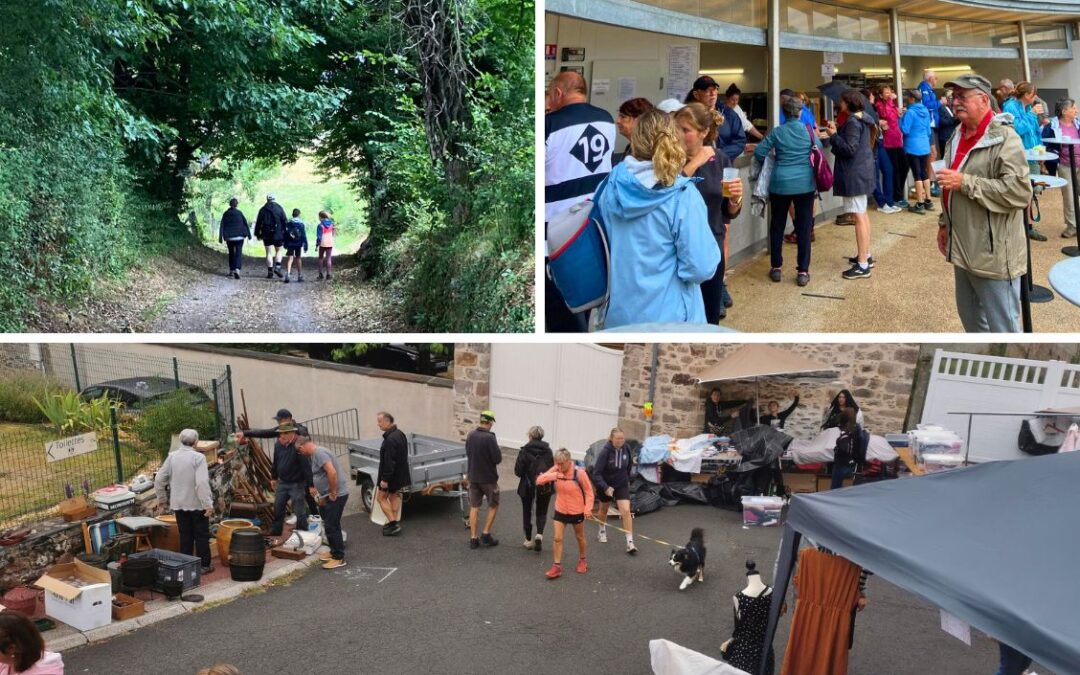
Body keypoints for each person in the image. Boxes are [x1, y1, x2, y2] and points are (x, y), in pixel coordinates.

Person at [597, 109, 719, 328]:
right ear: (673, 140)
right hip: (671, 319)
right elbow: (701, 266)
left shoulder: (609, 186)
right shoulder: (681, 194)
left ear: (635, 140)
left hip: (618, 315)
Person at [935, 74, 1032, 333]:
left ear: (983, 100)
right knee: (972, 323)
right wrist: (944, 223)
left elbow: (1020, 193)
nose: (956, 102)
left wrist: (966, 182)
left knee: (1005, 329)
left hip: (994, 255)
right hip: (963, 249)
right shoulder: (956, 136)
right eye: (954, 97)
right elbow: (949, 185)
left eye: (962, 96)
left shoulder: (1005, 139)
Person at [544, 71, 616, 332]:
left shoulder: (549, 126)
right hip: (592, 228)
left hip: (555, 234)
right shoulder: (607, 120)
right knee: (586, 298)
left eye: (551, 94)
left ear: (559, 93)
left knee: (559, 309)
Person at [675, 102, 744, 322]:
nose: (678, 135)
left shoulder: (721, 159)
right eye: (676, 128)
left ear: (704, 132)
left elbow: (728, 212)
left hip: (709, 248)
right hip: (675, 250)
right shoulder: (668, 160)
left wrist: (735, 200)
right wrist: (695, 162)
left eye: (685, 130)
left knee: (709, 317)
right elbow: (665, 194)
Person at [755, 96, 820, 286]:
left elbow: (759, 152)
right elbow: (820, 148)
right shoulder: (808, 132)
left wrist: (776, 160)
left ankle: (776, 268)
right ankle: (803, 271)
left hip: (779, 184)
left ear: (784, 113)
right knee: (803, 228)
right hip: (804, 184)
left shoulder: (777, 132)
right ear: (800, 112)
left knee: (777, 225)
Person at [826, 89, 879, 281]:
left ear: (848, 103)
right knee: (863, 214)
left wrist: (833, 135)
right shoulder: (863, 118)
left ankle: (863, 265)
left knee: (859, 217)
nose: (840, 104)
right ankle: (866, 255)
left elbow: (849, 149)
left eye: (842, 102)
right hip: (862, 172)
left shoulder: (853, 122)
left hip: (854, 174)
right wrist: (838, 131)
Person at [236, 416, 313, 537]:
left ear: (292, 433)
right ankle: (276, 530)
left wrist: (311, 485)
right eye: (280, 434)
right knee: (278, 507)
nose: (281, 436)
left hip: (297, 483)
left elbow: (306, 466)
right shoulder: (279, 445)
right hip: (283, 482)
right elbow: (276, 461)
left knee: (299, 510)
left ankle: (302, 532)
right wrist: (273, 477)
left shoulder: (299, 445)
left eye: (284, 434)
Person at [154, 428, 214, 573]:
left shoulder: (172, 457)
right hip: (196, 504)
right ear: (195, 442)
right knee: (201, 535)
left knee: (185, 534)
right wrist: (208, 504)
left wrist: (162, 499)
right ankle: (204, 566)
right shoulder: (198, 458)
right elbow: (201, 483)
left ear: (181, 440)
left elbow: (159, 479)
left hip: (178, 504)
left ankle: (187, 565)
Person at [535, 448, 594, 579]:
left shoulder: (580, 473)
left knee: (579, 537)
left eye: (562, 464)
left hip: (576, 511)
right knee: (557, 538)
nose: (559, 466)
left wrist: (588, 509)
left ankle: (582, 560)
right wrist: (555, 475)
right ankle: (557, 567)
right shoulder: (557, 469)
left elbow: (589, 492)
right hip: (560, 509)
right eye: (557, 463)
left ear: (569, 461)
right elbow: (539, 480)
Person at [1002, 82, 1047, 242]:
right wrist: (1033, 114)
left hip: (1032, 155)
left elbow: (1034, 131)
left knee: (1030, 191)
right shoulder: (1011, 107)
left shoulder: (1028, 107)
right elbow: (1017, 129)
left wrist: (1041, 149)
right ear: (1027, 95)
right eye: (1034, 94)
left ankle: (1027, 225)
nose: (1035, 97)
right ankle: (1019, 226)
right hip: (1018, 156)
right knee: (1019, 190)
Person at [296, 436, 348, 569]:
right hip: (327, 495)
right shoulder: (315, 455)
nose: (300, 453)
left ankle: (339, 558)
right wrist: (324, 497)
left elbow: (332, 472)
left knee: (332, 525)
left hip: (337, 495)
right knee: (329, 523)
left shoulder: (319, 453)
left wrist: (333, 492)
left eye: (299, 451)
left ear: (301, 447)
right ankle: (333, 551)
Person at [591, 428, 637, 554]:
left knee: (626, 511)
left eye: (622, 438)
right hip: (606, 485)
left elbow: (628, 466)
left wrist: (627, 480)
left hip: (621, 485)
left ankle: (630, 542)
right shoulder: (605, 452)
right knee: (603, 509)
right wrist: (605, 487)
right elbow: (596, 474)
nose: (621, 441)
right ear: (611, 438)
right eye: (618, 438)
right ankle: (601, 530)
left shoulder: (626, 448)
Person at [684, 75, 746, 162]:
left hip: (722, 166)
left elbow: (740, 141)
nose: (712, 93)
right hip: (695, 165)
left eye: (715, 89)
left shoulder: (729, 114)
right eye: (707, 90)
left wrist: (719, 154)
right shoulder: (688, 115)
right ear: (696, 94)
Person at [1042, 98, 1079, 238]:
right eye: (1073, 107)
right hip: (1065, 164)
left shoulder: (1078, 123)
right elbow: (1045, 143)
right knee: (1069, 196)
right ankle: (1072, 226)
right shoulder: (1052, 126)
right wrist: (1045, 161)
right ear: (1064, 111)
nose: (1076, 110)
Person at [513, 425, 554, 551]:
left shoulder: (524, 451)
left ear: (530, 436)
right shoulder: (548, 451)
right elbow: (552, 468)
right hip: (544, 485)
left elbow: (518, 471)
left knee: (527, 511)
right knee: (542, 510)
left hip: (527, 485)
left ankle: (528, 539)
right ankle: (539, 534)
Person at [465, 410, 502, 549]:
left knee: (474, 507)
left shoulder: (471, 435)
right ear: (490, 422)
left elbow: (468, 452)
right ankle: (486, 534)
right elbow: (497, 459)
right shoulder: (490, 438)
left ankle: (473, 538)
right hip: (488, 478)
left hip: (473, 476)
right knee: (493, 505)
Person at [376, 411, 410, 537]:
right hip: (400, 475)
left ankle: (393, 523)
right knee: (393, 497)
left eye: (380, 421)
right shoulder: (400, 434)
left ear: (387, 421)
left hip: (391, 477)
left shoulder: (390, 439)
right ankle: (395, 521)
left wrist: (384, 479)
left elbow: (389, 462)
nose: (378, 424)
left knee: (381, 498)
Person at [875, 85, 908, 208]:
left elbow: (894, 117)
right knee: (895, 169)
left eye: (890, 92)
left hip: (897, 139)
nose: (889, 94)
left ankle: (897, 195)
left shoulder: (891, 104)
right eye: (886, 93)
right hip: (888, 142)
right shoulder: (879, 105)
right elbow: (885, 114)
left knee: (904, 167)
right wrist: (890, 101)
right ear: (881, 95)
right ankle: (897, 197)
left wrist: (899, 112)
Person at [900, 89, 933, 215]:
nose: (907, 99)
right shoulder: (925, 111)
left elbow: (905, 130)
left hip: (912, 147)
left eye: (908, 97)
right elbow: (929, 132)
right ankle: (928, 200)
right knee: (924, 173)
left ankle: (919, 203)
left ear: (913, 99)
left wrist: (900, 119)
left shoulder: (910, 112)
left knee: (917, 174)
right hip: (925, 145)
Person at [920, 70, 942, 197]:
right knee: (932, 153)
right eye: (936, 78)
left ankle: (929, 182)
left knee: (933, 153)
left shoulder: (928, 88)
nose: (936, 80)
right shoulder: (924, 88)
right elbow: (927, 105)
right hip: (927, 125)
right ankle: (928, 182)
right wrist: (940, 103)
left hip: (932, 126)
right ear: (930, 78)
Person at [254, 194, 287, 279]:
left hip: (266, 233)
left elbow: (258, 222)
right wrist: (285, 232)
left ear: (267, 200)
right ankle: (278, 267)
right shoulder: (279, 208)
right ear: (274, 199)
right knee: (279, 250)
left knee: (268, 252)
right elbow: (284, 220)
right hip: (278, 233)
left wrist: (257, 233)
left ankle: (270, 272)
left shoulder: (262, 209)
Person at [614, 97, 655, 164]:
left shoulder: (646, 152)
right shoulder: (631, 147)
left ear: (639, 120)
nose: (617, 121)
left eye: (623, 117)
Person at [218, 198, 250, 279]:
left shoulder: (226, 214)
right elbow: (245, 223)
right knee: (238, 252)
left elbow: (222, 225)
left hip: (229, 237)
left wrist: (221, 238)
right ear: (236, 205)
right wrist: (249, 235)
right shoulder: (239, 213)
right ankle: (237, 269)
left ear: (230, 204)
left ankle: (231, 270)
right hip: (239, 236)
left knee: (231, 252)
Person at [830, 408, 860, 490]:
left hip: (841, 464)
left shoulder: (845, 435)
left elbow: (845, 448)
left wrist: (837, 449)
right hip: (850, 463)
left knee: (835, 487)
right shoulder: (856, 429)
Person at [283, 208, 307, 283]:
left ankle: (288, 274)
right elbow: (303, 235)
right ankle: (300, 275)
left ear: (292, 214)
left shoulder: (288, 224)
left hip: (290, 243)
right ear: (299, 215)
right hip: (298, 244)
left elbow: (285, 235)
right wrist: (305, 244)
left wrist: (285, 243)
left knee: (290, 259)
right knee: (298, 258)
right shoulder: (301, 224)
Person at [315, 211, 335, 280]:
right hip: (330, 242)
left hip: (322, 243)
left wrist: (317, 245)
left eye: (319, 217)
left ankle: (320, 274)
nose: (318, 218)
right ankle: (328, 274)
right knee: (329, 258)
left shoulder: (320, 225)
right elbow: (333, 234)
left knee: (320, 258)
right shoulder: (332, 224)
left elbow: (319, 237)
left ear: (321, 217)